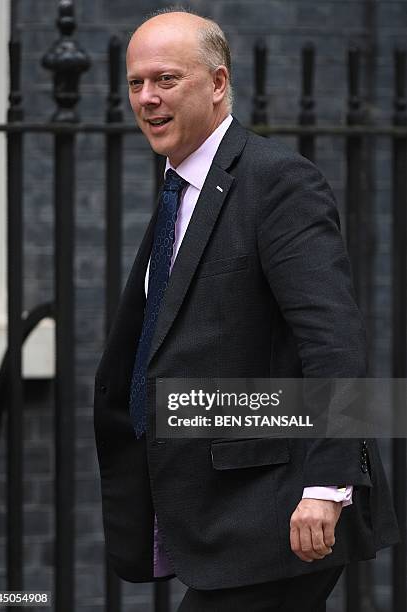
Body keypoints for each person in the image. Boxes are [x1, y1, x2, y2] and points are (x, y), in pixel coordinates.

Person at [94, 9, 399, 611]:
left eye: (166, 79)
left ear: (217, 82)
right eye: (136, 83)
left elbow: (333, 341)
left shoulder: (277, 181)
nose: (147, 98)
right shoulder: (179, 188)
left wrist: (326, 486)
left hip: (282, 510)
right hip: (218, 513)